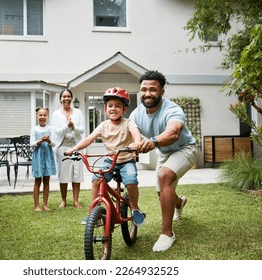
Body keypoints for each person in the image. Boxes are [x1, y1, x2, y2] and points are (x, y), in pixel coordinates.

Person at [130, 70, 198, 252]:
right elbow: (130, 127)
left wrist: (152, 141)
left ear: (161, 91)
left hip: (185, 148)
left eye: (152, 89)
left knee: (165, 177)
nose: (147, 93)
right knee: (162, 195)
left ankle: (167, 234)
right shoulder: (138, 112)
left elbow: (173, 133)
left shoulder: (172, 109)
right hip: (164, 153)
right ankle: (179, 202)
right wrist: (136, 141)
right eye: (144, 89)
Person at [65, 87, 146, 226]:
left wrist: (137, 142)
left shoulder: (128, 123)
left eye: (118, 106)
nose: (113, 109)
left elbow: (135, 132)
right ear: (105, 108)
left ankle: (134, 207)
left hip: (126, 160)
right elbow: (89, 139)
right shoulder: (103, 125)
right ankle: (94, 213)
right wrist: (74, 148)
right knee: (96, 180)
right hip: (110, 160)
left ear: (124, 109)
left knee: (131, 180)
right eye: (110, 106)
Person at [51, 89, 85, 209]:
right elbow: (56, 131)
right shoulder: (56, 114)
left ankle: (76, 201)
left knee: (76, 174)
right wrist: (67, 126)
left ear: (71, 98)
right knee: (63, 175)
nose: (66, 99)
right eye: (64, 96)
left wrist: (74, 126)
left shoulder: (78, 112)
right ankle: (63, 200)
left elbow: (82, 130)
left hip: (76, 146)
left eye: (68, 96)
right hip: (62, 147)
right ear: (61, 99)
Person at [30, 107, 56, 211]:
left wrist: (48, 140)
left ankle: (45, 204)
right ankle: (36, 205)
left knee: (46, 181)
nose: (42, 117)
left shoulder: (51, 129)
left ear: (47, 117)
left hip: (48, 157)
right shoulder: (34, 129)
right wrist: (39, 141)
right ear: (37, 117)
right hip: (38, 157)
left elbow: (54, 144)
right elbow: (31, 145)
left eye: (44, 115)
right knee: (37, 181)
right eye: (40, 115)